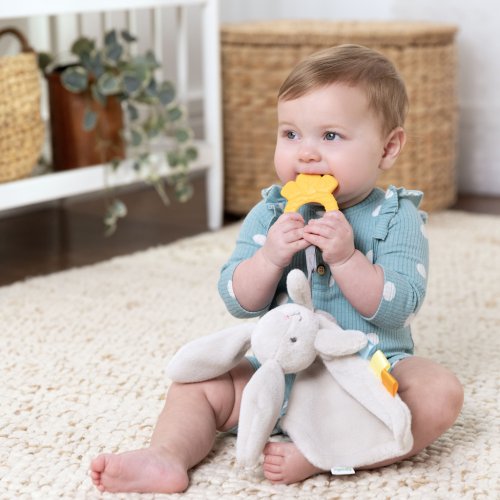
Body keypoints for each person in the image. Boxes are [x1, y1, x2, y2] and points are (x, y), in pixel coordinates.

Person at [90, 44, 463, 494]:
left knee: (439, 392)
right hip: (276, 373)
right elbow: (237, 299)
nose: (305, 154)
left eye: (330, 136)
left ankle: (329, 455)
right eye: (290, 134)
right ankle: (166, 456)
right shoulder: (271, 212)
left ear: (387, 148)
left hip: (366, 374)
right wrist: (268, 258)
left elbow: (398, 307)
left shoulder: (397, 216)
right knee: (195, 384)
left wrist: (347, 259)